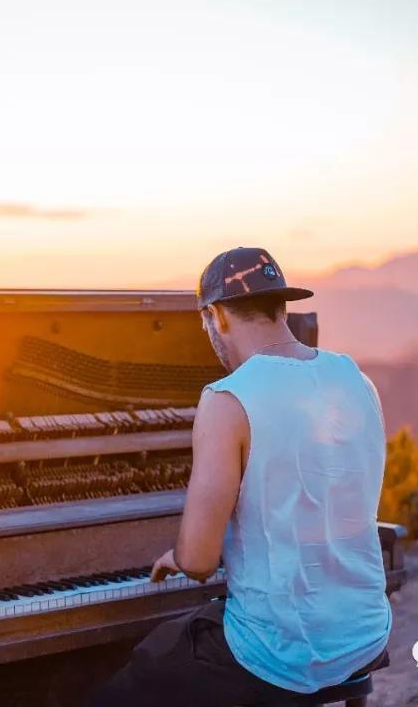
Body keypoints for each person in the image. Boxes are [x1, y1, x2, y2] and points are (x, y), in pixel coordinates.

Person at [86, 247, 391, 707]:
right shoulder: (356, 380)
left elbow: (199, 561)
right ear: (280, 307)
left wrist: (180, 552)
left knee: (134, 676)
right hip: (365, 627)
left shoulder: (228, 399)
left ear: (216, 317)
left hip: (281, 654)